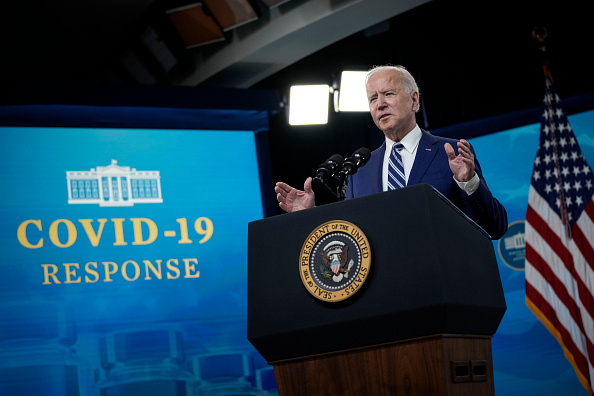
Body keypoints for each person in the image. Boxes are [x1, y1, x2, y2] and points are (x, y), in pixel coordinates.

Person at [275, 65, 508, 240]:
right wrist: (308, 216)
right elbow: (351, 241)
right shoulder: (360, 170)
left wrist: (469, 183)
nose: (380, 104)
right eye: (373, 99)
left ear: (414, 99)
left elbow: (494, 228)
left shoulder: (451, 154)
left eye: (388, 94)